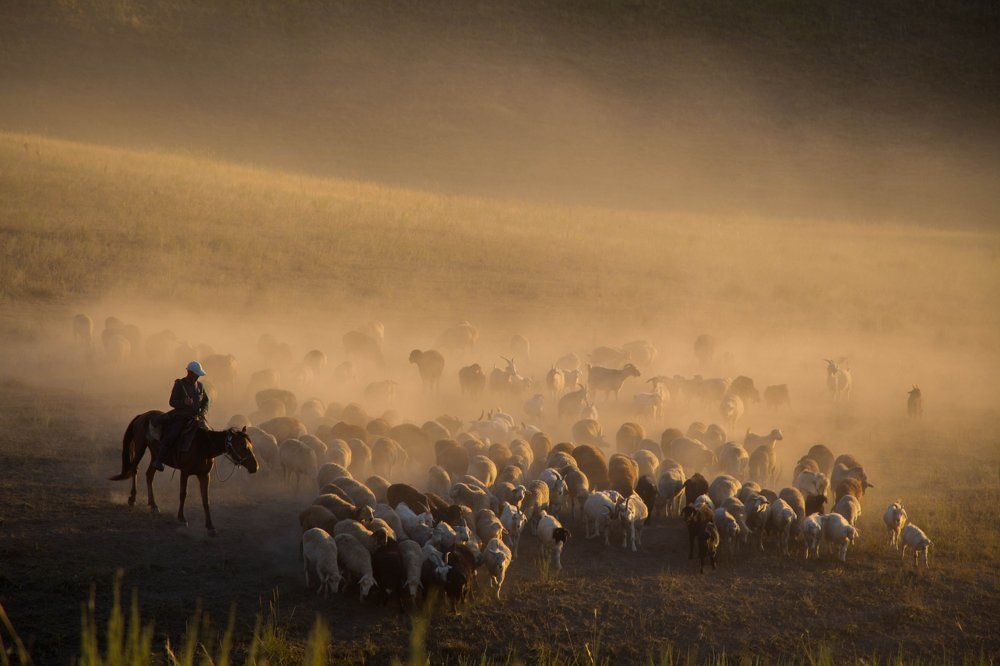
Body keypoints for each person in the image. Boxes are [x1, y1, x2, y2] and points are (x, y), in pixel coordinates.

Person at [152, 361, 210, 471]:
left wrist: (203, 411)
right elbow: (172, 402)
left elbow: (206, 401)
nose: (198, 376)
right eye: (196, 374)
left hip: (197, 417)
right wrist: (184, 402)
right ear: (189, 372)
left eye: (198, 374)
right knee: (172, 435)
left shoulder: (200, 386)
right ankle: (159, 460)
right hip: (181, 417)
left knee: (208, 433)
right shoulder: (179, 385)